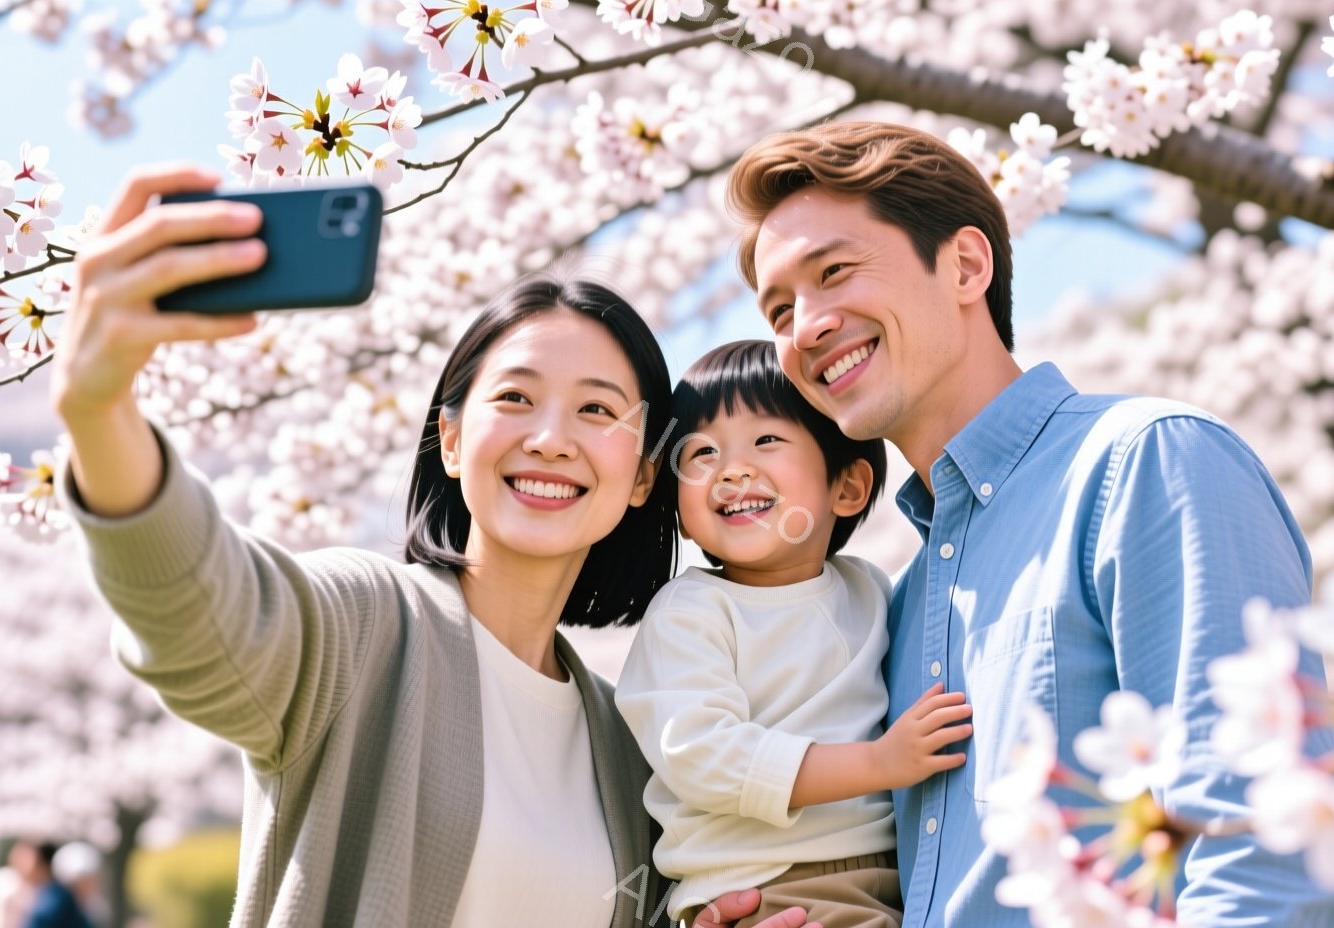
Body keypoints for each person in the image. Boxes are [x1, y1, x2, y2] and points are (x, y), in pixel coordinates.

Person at [49, 163, 816, 928]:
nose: (551, 439)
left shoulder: (628, 738)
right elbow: (202, 618)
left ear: (645, 473)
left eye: (596, 410)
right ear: (450, 439)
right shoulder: (368, 627)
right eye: (515, 397)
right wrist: (99, 409)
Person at [725, 122, 1334, 927]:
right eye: (779, 311)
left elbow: (1260, 845)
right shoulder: (901, 602)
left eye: (835, 272)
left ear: (966, 265)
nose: (805, 327)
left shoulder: (1146, 464)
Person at [616, 340, 973, 928]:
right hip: (769, 889)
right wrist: (879, 763)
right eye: (702, 452)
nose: (732, 469)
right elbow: (701, 754)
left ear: (847, 488)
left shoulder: (869, 590)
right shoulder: (691, 610)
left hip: (898, 880)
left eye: (765, 440)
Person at [10, 841, 91, 928]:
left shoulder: (54, 899)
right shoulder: (39, 893)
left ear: (41, 863)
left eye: (24, 858)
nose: (17, 863)